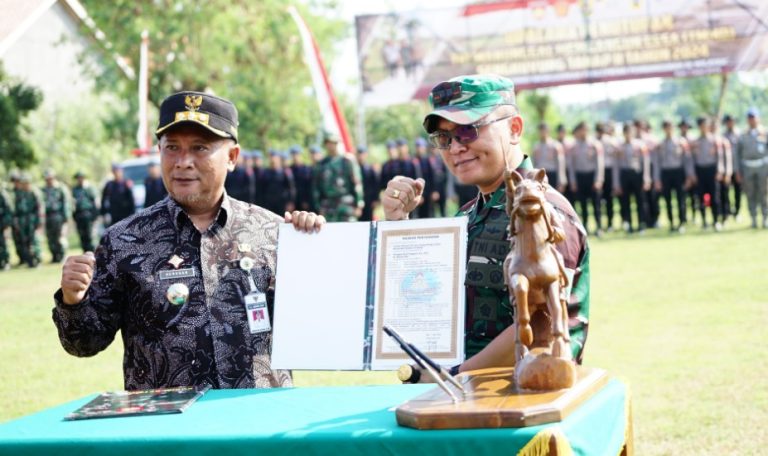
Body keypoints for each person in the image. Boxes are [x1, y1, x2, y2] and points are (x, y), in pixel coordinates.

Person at [53, 91, 325, 390]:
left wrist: (316, 245)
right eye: (172, 148)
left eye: (200, 148)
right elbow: (84, 343)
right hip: (167, 428)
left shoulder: (274, 233)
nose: (183, 162)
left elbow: (321, 326)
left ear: (232, 157)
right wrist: (73, 300)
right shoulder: (124, 240)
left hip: (258, 421)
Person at [382, 75, 590, 374]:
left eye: (468, 131)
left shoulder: (544, 213)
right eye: (444, 138)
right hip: (457, 400)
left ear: (514, 129)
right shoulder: (465, 217)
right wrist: (398, 225)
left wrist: (453, 376)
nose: (455, 147)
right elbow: (425, 297)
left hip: (516, 400)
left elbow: (541, 327)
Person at [312, 132, 364, 222]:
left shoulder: (347, 161)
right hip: (328, 206)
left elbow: (357, 183)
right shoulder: (322, 164)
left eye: (333, 143)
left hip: (346, 205)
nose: (331, 145)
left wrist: (359, 204)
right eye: (328, 143)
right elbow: (316, 187)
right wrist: (318, 206)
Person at [653, 120, 693, 232]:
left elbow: (687, 160)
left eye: (670, 127)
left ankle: (681, 222)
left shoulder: (681, 142)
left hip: (678, 172)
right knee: (667, 200)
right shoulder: (660, 144)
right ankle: (671, 223)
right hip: (666, 173)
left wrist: (689, 176)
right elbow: (657, 163)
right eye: (666, 127)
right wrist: (657, 179)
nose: (668, 130)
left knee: (681, 198)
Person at [567, 121, 604, 235]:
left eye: (584, 129)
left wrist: (598, 179)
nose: (582, 132)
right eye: (580, 130)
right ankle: (585, 226)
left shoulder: (594, 144)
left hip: (592, 176)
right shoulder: (573, 147)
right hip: (580, 177)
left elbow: (599, 163)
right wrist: (573, 181)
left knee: (596, 204)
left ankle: (599, 227)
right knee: (582, 204)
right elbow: (571, 166)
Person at [690, 117, 727, 230]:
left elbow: (720, 156)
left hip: (712, 170)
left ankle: (716, 220)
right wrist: (692, 174)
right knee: (701, 197)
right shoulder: (695, 142)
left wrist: (720, 170)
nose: (703, 127)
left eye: (705, 125)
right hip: (700, 171)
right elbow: (691, 159)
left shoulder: (715, 140)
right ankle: (704, 221)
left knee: (715, 197)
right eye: (701, 125)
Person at [614, 123, 651, 233]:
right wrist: (616, 183)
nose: (628, 135)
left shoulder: (640, 145)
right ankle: (629, 224)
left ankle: (641, 224)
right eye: (626, 132)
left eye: (630, 132)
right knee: (626, 201)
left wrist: (646, 178)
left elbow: (646, 163)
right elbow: (616, 165)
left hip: (637, 174)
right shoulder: (619, 147)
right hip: (625, 174)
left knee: (640, 200)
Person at [735, 107, 768, 228]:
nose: (751, 120)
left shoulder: (764, 132)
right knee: (750, 194)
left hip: (762, 167)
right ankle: (753, 219)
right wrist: (737, 170)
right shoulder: (743, 135)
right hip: (748, 167)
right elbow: (737, 154)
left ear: (758, 118)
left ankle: (765, 218)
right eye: (749, 118)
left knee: (763, 193)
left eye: (753, 117)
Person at [13, 173, 43, 267]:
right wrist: (17, 221)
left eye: (26, 183)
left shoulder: (34, 193)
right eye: (23, 183)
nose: (24, 185)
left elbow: (39, 209)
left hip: (32, 220)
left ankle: (37, 259)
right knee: (24, 241)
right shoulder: (19, 194)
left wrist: (39, 222)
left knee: (34, 240)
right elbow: (16, 210)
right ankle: (29, 260)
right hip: (22, 221)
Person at [42, 169, 69, 263]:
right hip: (47, 216)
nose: (48, 180)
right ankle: (54, 255)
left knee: (59, 237)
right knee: (50, 238)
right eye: (46, 179)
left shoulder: (60, 188)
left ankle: (61, 255)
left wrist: (65, 218)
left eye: (49, 178)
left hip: (58, 216)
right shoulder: (43, 190)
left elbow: (66, 203)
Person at [532, 122, 567, 192]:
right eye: (540, 131)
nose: (542, 133)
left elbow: (560, 164)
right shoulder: (536, 146)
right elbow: (534, 163)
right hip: (540, 175)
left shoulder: (556, 145)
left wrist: (561, 180)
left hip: (552, 175)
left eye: (543, 130)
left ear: (548, 131)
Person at [260, 149, 296, 216]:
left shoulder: (285, 172)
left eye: (274, 157)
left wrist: (290, 202)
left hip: (282, 203)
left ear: (279, 158)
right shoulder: (266, 172)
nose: (272, 159)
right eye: (271, 157)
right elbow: (262, 189)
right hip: (269, 203)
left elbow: (291, 188)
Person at [71, 171, 99, 252]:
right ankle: (85, 252)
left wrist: (95, 216)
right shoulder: (75, 190)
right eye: (78, 178)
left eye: (81, 178)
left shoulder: (89, 188)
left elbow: (95, 202)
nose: (80, 180)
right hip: (79, 215)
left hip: (89, 215)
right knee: (82, 236)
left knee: (91, 236)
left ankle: (94, 253)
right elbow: (73, 204)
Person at [722, 114, 742, 220]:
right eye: (728, 121)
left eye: (731, 121)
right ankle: (728, 210)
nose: (730, 123)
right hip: (726, 169)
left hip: (737, 168)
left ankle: (737, 211)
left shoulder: (739, 135)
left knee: (738, 191)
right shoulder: (723, 135)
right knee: (725, 191)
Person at [356, 145, 380, 221]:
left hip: (369, 201)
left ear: (366, 155)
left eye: (362, 154)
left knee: (368, 220)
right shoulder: (354, 169)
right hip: (357, 201)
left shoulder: (370, 169)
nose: (361, 156)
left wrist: (376, 199)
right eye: (359, 154)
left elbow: (376, 185)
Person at [289, 145, 313, 212]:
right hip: (293, 202)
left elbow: (308, 186)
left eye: (296, 154)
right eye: (293, 154)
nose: (295, 157)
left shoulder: (307, 169)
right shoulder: (289, 169)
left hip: (303, 201)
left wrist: (306, 200)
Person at [0, 181, 12, 270]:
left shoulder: (3, 195)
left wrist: (6, 224)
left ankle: (6, 262)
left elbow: (8, 211)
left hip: (2, 224)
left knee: (3, 244)